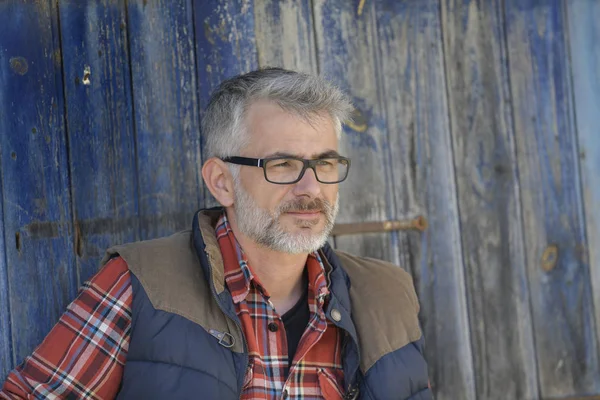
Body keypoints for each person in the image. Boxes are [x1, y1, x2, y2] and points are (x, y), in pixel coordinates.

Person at [0, 68, 431, 400]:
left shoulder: (387, 294)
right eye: (282, 165)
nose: (312, 189)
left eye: (326, 164)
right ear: (222, 181)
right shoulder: (142, 283)